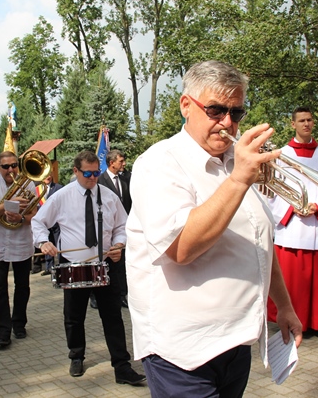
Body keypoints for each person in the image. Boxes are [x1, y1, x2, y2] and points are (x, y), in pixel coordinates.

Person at [125, 61, 302, 397]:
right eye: (216, 110)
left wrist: (284, 305)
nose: (227, 123)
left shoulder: (238, 161)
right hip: (183, 351)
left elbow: (259, 241)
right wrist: (239, 180)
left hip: (237, 342)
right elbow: (181, 248)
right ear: (186, 105)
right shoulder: (159, 163)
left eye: (236, 113)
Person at [33, 150, 146, 386]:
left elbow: (122, 226)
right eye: (88, 174)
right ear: (76, 171)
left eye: (96, 173)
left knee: (113, 316)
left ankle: (122, 366)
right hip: (73, 264)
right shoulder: (61, 196)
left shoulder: (109, 196)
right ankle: (76, 356)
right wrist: (44, 242)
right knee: (74, 316)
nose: (93, 178)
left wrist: (119, 244)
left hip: (105, 263)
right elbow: (39, 222)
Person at [267, 106, 318, 333]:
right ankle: (290, 318)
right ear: (293, 124)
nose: (306, 124)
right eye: (301, 121)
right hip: (292, 225)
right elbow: (272, 190)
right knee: (293, 277)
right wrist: (292, 207)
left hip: (317, 222)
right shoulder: (280, 154)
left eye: (309, 120)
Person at [0, 151, 37, 348]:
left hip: (21, 242)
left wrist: (21, 218)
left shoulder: (28, 184)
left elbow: (34, 215)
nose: (11, 170)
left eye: (14, 165)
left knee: (23, 286)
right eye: (5, 167)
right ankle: (2, 332)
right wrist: (8, 205)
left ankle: (19, 323)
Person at [97, 149, 131, 308]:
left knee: (121, 264)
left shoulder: (126, 179)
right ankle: (95, 295)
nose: (124, 163)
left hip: (123, 229)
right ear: (111, 163)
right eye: (121, 161)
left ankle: (122, 294)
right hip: (106, 229)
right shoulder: (100, 180)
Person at [36, 174, 63, 276]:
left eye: (50, 175)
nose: (48, 177)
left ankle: (61, 266)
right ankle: (49, 267)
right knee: (47, 244)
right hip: (44, 223)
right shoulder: (36, 189)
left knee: (59, 245)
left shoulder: (59, 188)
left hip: (56, 223)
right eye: (45, 175)